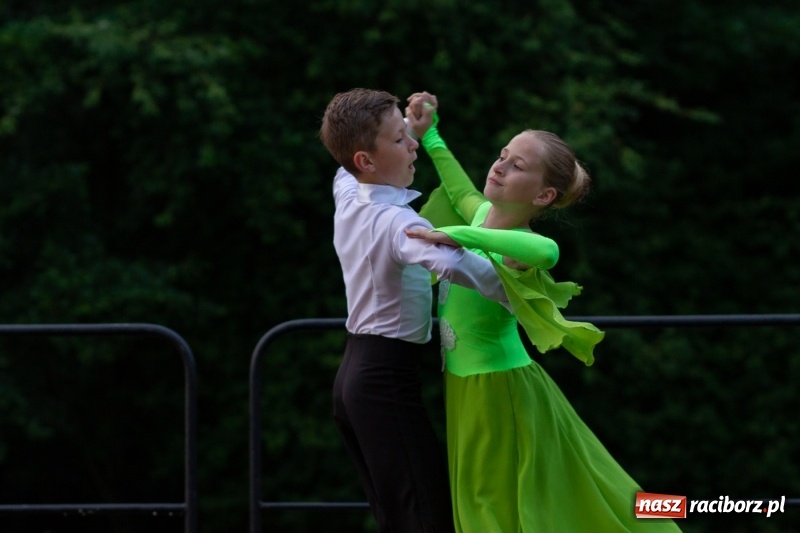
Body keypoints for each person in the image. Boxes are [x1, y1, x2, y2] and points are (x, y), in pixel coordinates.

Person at [404, 93, 681, 532]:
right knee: (493, 495)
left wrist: (453, 234)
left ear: (544, 194)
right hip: (467, 385)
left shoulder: (519, 245)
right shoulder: (480, 220)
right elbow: (459, 188)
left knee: (490, 499)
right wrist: (430, 133)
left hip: (498, 387)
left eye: (517, 166)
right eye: (502, 156)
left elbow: (546, 250)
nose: (499, 166)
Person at [319, 88, 513, 533]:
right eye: (400, 140)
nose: (412, 147)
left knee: (399, 515)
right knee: (424, 518)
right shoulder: (401, 224)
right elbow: (464, 269)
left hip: (355, 380)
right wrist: (519, 287)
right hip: (384, 382)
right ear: (367, 161)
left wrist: (416, 128)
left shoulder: (348, 188)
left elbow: (345, 156)